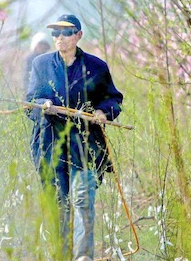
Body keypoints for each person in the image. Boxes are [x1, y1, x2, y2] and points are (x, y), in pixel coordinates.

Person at [25, 14, 123, 261]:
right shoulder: (41, 64)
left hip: (85, 146)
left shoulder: (97, 67)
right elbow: (29, 102)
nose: (59, 37)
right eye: (55, 33)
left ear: (78, 35)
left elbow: (113, 98)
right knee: (59, 202)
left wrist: (103, 111)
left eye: (65, 32)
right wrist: (42, 104)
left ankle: (83, 256)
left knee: (82, 201)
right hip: (50, 145)